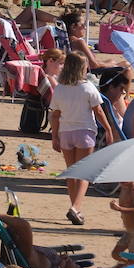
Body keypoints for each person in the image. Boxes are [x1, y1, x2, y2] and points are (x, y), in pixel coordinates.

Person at [48, 53, 116, 225]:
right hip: (84, 132)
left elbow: (55, 115)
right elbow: (98, 111)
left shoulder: (60, 88)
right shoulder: (88, 87)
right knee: (84, 172)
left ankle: (75, 209)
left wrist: (54, 136)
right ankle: (75, 208)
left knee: (72, 173)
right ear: (81, 68)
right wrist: (108, 129)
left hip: (66, 132)